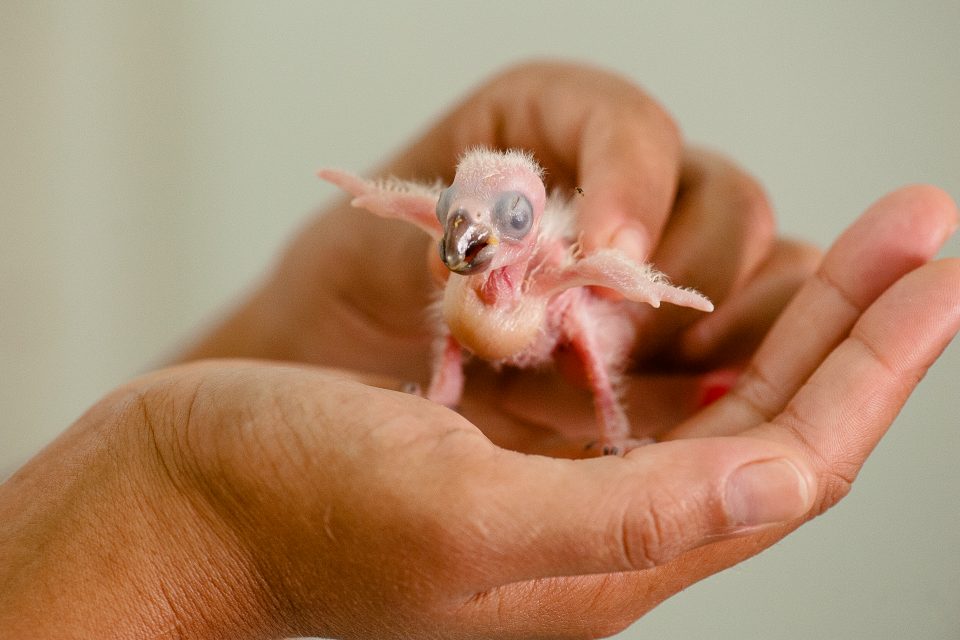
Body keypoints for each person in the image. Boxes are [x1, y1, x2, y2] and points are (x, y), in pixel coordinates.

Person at [1, 61, 957, 639]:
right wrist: (181, 512)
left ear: (528, 222)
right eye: (457, 220)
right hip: (485, 334)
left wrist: (656, 290)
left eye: (494, 222)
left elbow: (598, 287)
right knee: (457, 338)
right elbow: (415, 215)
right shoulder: (460, 242)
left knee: (581, 325)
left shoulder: (544, 262)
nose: (469, 237)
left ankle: (613, 415)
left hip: (562, 314)